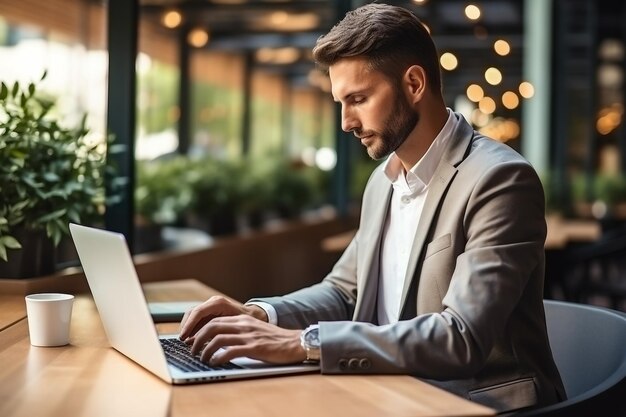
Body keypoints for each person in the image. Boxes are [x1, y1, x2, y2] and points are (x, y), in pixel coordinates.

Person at [179, 3, 565, 414]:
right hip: (391, 392)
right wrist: (261, 315)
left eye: (358, 99)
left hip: (477, 402)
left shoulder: (499, 179)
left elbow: (462, 338)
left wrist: (302, 343)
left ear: (414, 83)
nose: (346, 122)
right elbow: (344, 291)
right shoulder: (383, 181)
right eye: (340, 103)